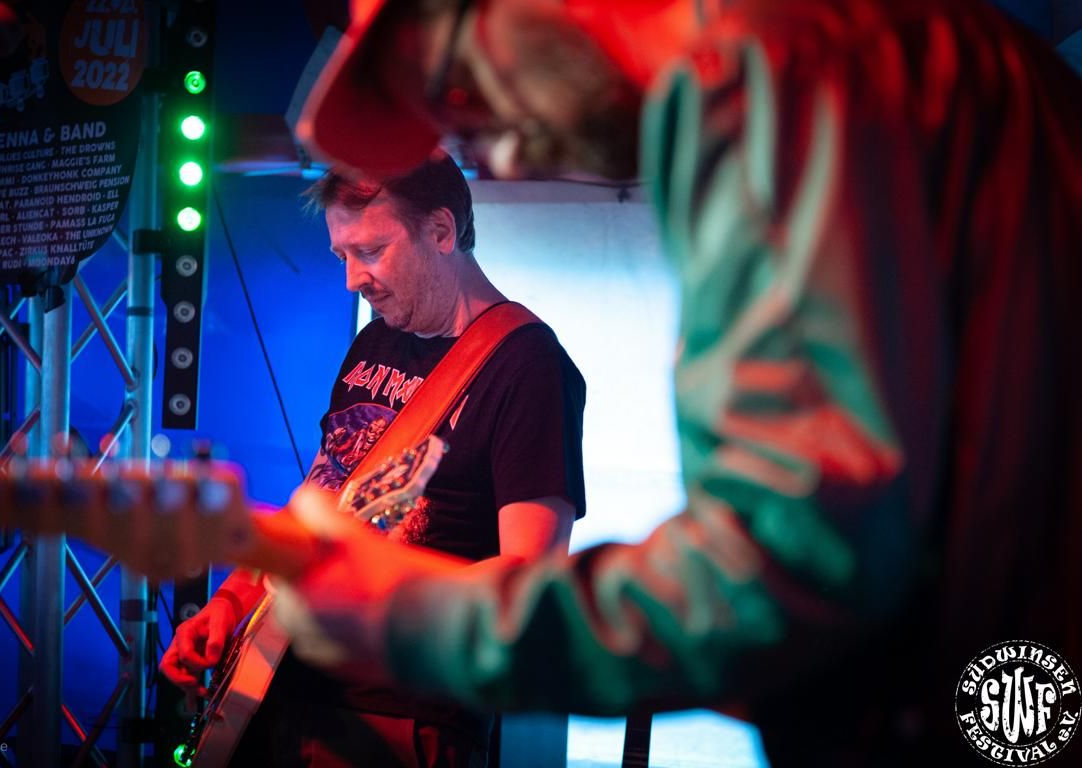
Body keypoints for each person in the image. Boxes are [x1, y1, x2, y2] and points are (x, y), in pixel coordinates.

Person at [271, 0, 1082, 765]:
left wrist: (410, 616)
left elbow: (779, 571)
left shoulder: (775, 67)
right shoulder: (959, 59)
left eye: (463, 85)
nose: (504, 157)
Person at [159, 149, 587, 766]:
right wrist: (232, 601)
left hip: (401, 717)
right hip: (285, 685)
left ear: (440, 231)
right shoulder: (375, 340)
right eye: (343, 256)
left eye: (370, 251)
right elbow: (322, 494)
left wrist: (373, 589)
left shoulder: (528, 366)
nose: (352, 280)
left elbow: (529, 582)